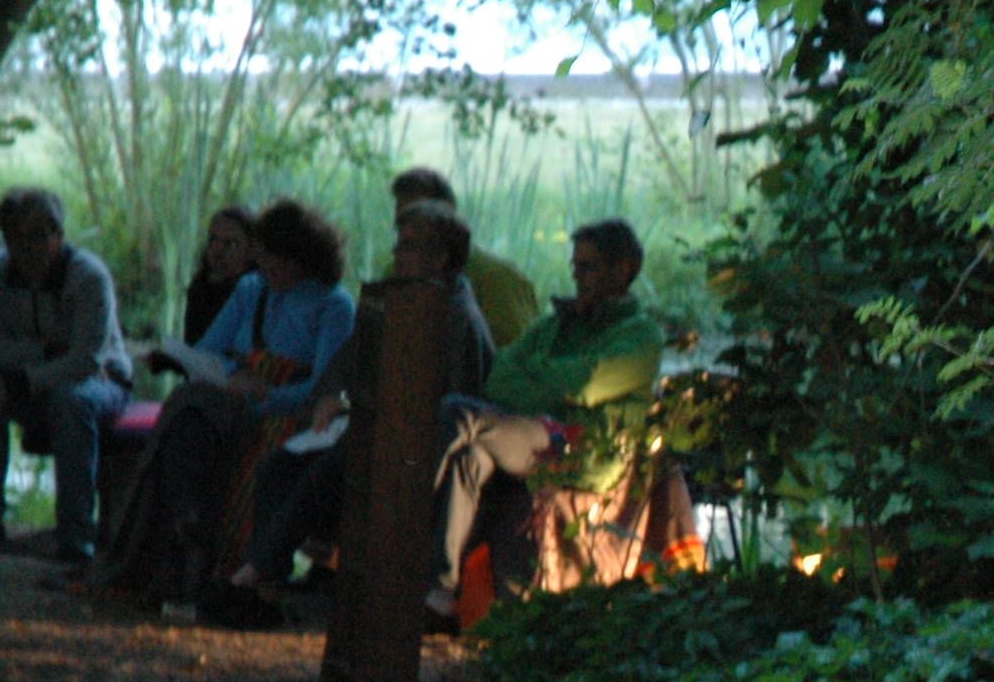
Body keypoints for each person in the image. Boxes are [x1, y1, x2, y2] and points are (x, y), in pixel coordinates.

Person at [199, 199, 494, 630]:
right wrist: (334, 397)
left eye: (409, 246)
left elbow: (453, 403)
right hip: (368, 428)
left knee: (330, 467)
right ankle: (263, 586)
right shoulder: (397, 300)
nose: (397, 254)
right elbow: (346, 365)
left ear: (440, 258)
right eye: (399, 243)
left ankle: (255, 572)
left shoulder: (457, 317)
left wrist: (368, 411)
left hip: (416, 447)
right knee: (280, 463)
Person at [88, 198, 355, 605]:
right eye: (264, 262)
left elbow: (324, 388)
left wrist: (266, 395)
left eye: (278, 264)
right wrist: (236, 377)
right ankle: (176, 535)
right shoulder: (252, 290)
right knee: (188, 409)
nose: (268, 272)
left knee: (213, 425)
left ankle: (213, 555)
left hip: (290, 416)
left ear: (302, 260)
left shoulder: (333, 305)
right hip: (231, 402)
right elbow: (207, 353)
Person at [425, 217, 664, 611]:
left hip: (580, 449)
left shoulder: (641, 337)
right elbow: (499, 378)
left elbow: (585, 384)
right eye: (575, 266)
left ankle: (403, 528)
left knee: (459, 414)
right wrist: (556, 390)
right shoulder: (555, 325)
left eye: (588, 267)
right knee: (472, 456)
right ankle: (439, 587)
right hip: (531, 431)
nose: (577, 276)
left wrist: (538, 376)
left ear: (624, 270)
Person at [0, 187, 130, 566]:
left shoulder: (89, 277)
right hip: (39, 375)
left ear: (58, 236)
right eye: (16, 238)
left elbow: (87, 360)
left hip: (104, 383)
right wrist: (45, 352)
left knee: (72, 400)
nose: (26, 249)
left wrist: (22, 380)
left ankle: (76, 536)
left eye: (37, 237)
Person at [392, 164, 540, 348]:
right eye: (401, 214)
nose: (397, 252)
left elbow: (522, 353)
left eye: (419, 213)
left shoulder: (497, 277)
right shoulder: (396, 272)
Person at [180, 205, 259, 345]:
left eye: (231, 244)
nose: (217, 251)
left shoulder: (257, 294)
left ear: (252, 250)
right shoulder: (200, 288)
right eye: (213, 239)